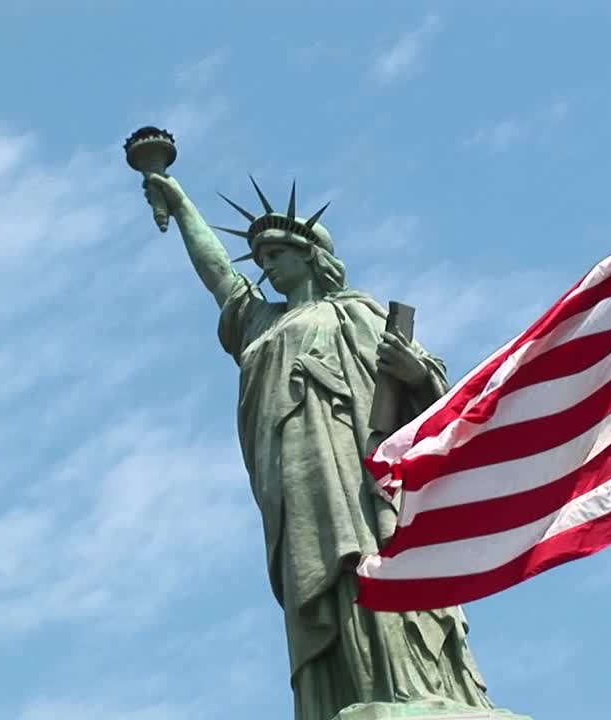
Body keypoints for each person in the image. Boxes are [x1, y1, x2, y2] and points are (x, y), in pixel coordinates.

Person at [142, 172, 493, 720]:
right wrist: (181, 203)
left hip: (359, 468)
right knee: (321, 570)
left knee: (368, 558)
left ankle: (412, 686)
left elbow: (432, 397)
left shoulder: (355, 310)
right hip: (294, 473)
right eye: (260, 257)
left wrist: (416, 372)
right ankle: (341, 691)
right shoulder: (262, 323)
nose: (267, 266)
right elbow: (220, 278)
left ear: (310, 256)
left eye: (277, 253)